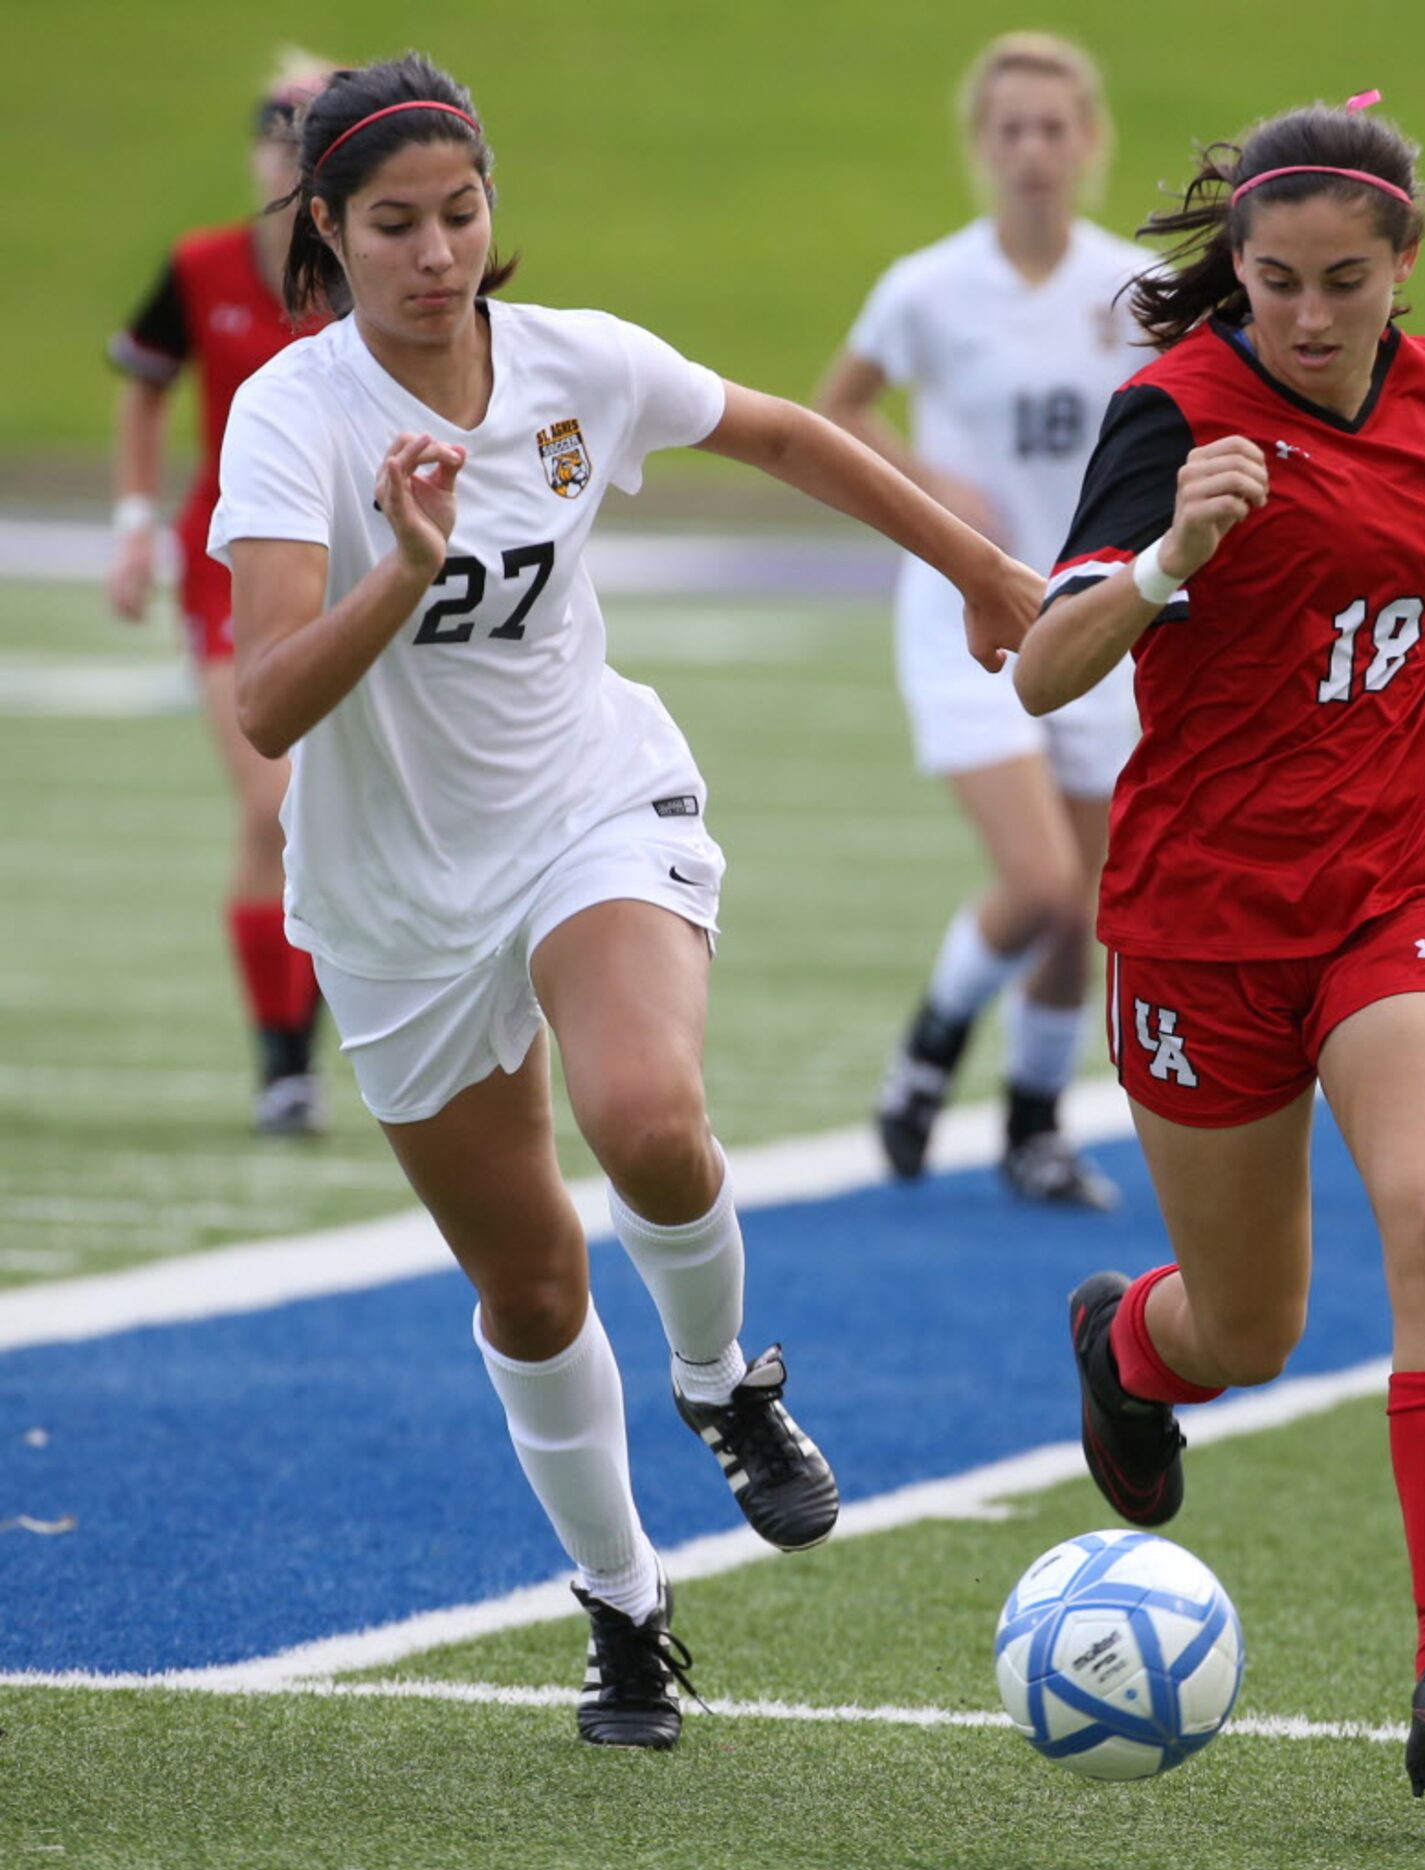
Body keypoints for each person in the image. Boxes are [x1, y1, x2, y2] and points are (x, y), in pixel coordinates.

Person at [208, 52, 1038, 1750]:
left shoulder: (578, 363)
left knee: (649, 1118)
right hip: (391, 895)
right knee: (525, 1286)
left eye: (460, 211)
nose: (436, 251)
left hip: (590, 800)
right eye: (391, 224)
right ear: (327, 233)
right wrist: (405, 571)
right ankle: (623, 1606)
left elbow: (789, 430)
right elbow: (270, 700)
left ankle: (726, 1380)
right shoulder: (293, 416)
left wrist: (980, 570)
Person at [1013, 94, 1425, 1800]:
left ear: (1401, 269)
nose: (1307, 315)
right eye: (1276, 279)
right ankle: (1128, 1346)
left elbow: (1423, 529)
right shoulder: (1169, 416)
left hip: (1404, 878)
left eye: (1343, 283)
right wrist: (1169, 556)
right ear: (1233, 262)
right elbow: (1041, 669)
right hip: (1202, 920)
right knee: (1248, 1329)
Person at [819, 33, 1151, 1208]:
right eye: (1009, 129)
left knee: (1089, 905)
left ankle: (1032, 1125)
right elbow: (838, 409)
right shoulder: (927, 286)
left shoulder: (1131, 290)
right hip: (966, 610)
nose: (1032, 151)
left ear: (1089, 142)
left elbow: (1186, 418)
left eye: (1054, 128)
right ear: (981, 146)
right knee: (1041, 880)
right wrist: (928, 486)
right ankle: (926, 1055)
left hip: (1090, 613)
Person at [107, 51, 337, 1135]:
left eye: (309, 131)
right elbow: (146, 386)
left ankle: (324, 1036)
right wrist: (132, 526)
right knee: (271, 800)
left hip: (356, 562)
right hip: (226, 564)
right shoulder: (202, 266)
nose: (285, 152)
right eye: (274, 130)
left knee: (345, 815)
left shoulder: (367, 270)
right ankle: (283, 1060)